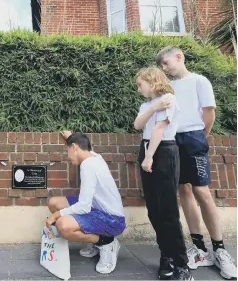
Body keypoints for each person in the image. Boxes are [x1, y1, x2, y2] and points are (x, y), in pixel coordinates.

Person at [156, 46, 236, 280]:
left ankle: (220, 249)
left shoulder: (200, 81)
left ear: (178, 57)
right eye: (161, 65)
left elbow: (208, 113)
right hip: (172, 140)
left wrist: (201, 137)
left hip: (193, 137)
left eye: (166, 62)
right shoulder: (169, 87)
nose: (164, 68)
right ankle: (199, 248)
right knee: (184, 191)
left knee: (202, 191)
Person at [134, 66, 193, 281]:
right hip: (147, 147)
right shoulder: (147, 104)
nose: (139, 89)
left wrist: (149, 157)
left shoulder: (169, 98)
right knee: (154, 210)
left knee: (168, 210)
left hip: (164, 150)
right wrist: (152, 107)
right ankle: (166, 255)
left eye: (141, 84)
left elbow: (160, 128)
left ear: (152, 80)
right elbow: (138, 124)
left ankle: (181, 264)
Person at [47, 132, 125, 275]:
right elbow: (87, 149)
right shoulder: (95, 157)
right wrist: (71, 137)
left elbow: (83, 206)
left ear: (75, 148)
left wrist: (57, 215)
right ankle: (96, 239)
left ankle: (106, 242)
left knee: (62, 225)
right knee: (54, 203)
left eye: (68, 151)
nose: (68, 156)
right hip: (96, 209)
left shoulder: (88, 166)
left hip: (112, 220)